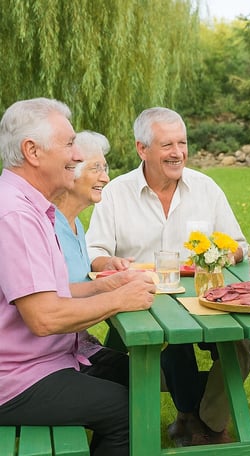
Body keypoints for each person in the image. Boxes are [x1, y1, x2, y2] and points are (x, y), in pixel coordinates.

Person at [85, 107, 250, 446]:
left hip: (202, 297)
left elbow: (239, 245)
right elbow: (94, 251)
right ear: (142, 149)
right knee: (171, 346)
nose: (178, 152)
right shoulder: (117, 192)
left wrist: (221, 254)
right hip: (141, 300)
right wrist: (111, 262)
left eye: (182, 143)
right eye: (167, 145)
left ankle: (206, 420)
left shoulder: (206, 188)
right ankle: (194, 420)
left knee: (243, 345)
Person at [0, 98, 155, 456]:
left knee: (139, 377)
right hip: (16, 378)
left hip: (48, 360)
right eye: (69, 144)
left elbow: (44, 292)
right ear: (32, 151)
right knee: (127, 409)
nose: (76, 155)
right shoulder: (16, 215)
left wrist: (103, 286)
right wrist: (119, 299)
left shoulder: (30, 206)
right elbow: (45, 317)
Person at [51, 130, 129, 386]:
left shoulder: (75, 225)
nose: (106, 177)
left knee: (149, 372)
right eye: (96, 168)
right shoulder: (48, 226)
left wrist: (110, 270)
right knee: (138, 380)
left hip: (78, 346)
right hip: (54, 357)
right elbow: (52, 298)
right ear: (70, 172)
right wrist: (114, 294)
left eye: (105, 168)